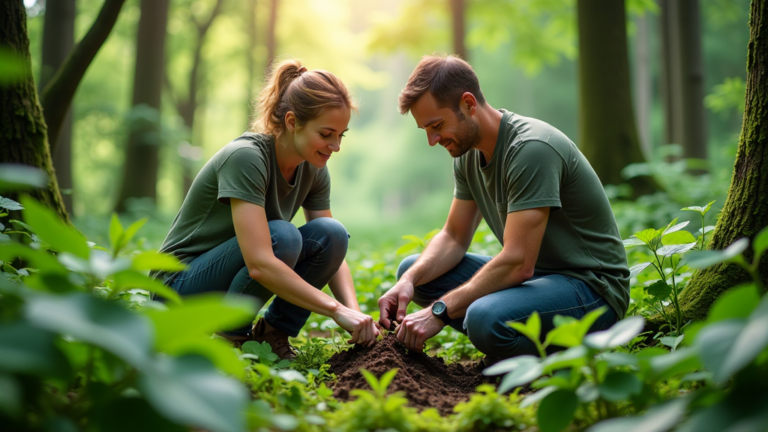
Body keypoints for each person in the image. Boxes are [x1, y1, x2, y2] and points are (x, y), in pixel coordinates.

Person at [378, 55, 629, 363]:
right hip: (539, 280)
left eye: (437, 125)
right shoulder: (467, 156)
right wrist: (408, 281)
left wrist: (439, 311)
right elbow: (455, 236)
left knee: (484, 318)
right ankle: (521, 341)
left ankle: (558, 361)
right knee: (414, 272)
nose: (432, 140)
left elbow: (518, 263)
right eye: (425, 130)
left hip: (592, 290)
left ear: (468, 103)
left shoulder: (531, 149)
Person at [156, 60, 379, 360]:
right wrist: (335, 311)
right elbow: (260, 262)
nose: (335, 145)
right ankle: (230, 338)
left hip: (222, 278)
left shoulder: (313, 168)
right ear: (291, 122)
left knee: (333, 234)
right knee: (282, 238)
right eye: (326, 134)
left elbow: (332, 250)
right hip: (177, 288)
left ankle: (273, 335)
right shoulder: (246, 159)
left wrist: (355, 314)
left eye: (341, 134)